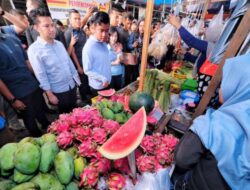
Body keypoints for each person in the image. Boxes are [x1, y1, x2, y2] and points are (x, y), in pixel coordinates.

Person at [172, 53, 250, 190]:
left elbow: (182, 160)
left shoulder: (213, 124)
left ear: (238, 86)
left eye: (225, 81)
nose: (220, 88)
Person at [28, 8, 80, 113]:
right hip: (58, 91)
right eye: (46, 26)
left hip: (72, 86)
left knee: (76, 113)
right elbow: (41, 74)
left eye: (52, 25)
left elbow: (68, 62)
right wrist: (50, 94)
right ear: (36, 28)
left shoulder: (59, 44)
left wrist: (76, 79)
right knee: (65, 119)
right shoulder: (34, 50)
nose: (52, 29)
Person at [0, 31, 49, 137]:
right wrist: (12, 99)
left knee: (40, 110)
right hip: (18, 91)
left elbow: (27, 62)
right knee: (29, 118)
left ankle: (48, 128)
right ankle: (36, 137)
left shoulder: (11, 37)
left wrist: (40, 81)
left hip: (32, 83)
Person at [64, 9, 92, 104]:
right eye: (75, 19)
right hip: (78, 64)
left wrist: (88, 14)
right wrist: (78, 67)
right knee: (82, 85)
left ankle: (88, 97)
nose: (78, 21)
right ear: (70, 20)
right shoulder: (69, 33)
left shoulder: (79, 29)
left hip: (86, 61)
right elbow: (72, 52)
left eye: (79, 18)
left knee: (87, 82)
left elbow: (83, 22)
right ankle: (85, 102)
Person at [82, 11, 111, 96]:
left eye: (107, 30)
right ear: (93, 28)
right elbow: (87, 70)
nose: (104, 34)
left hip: (107, 82)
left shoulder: (103, 42)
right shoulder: (88, 47)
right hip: (98, 86)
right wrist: (102, 79)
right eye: (101, 30)